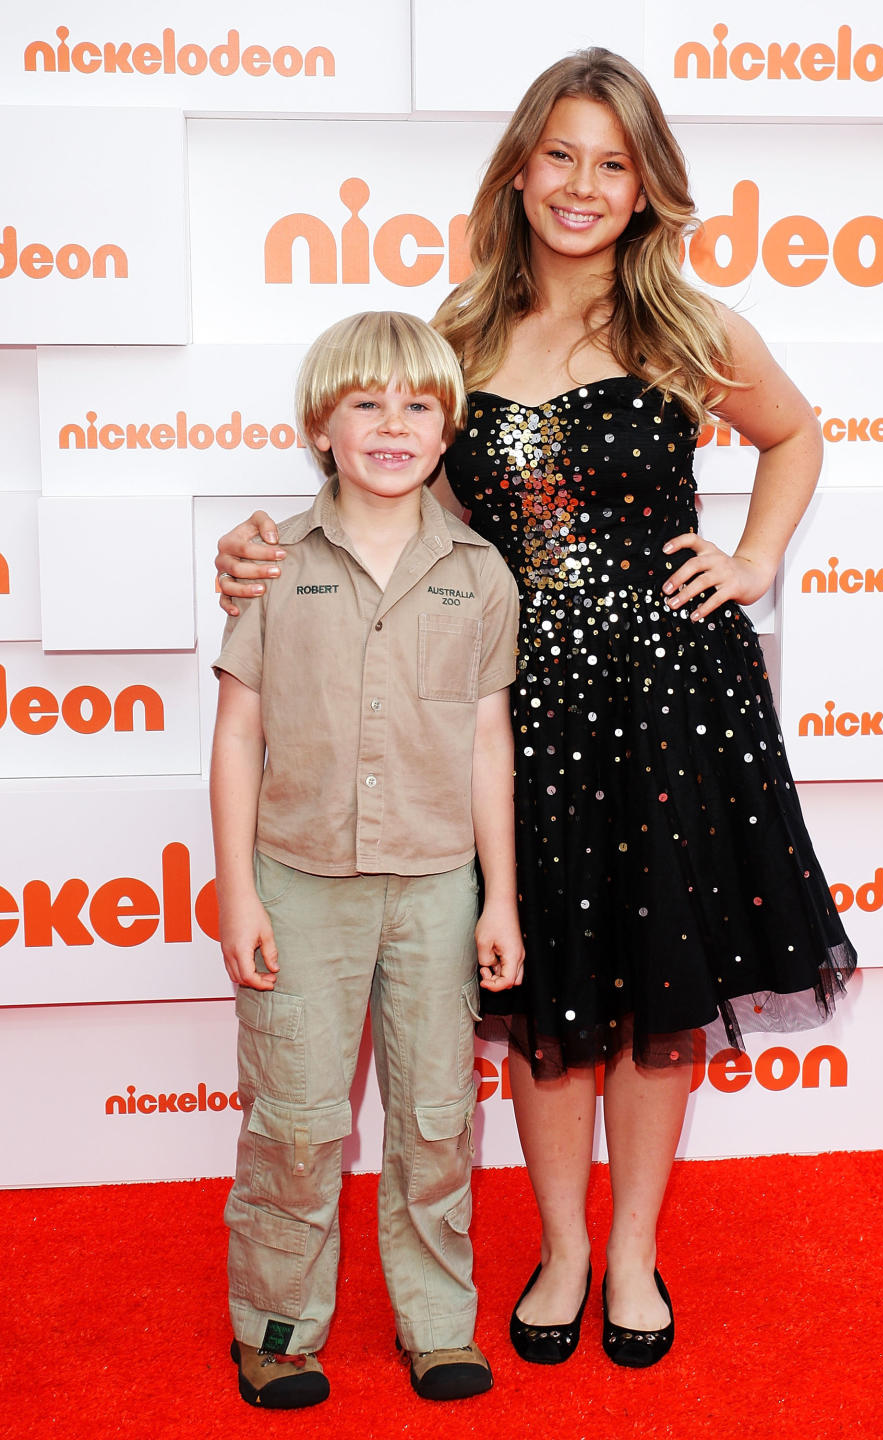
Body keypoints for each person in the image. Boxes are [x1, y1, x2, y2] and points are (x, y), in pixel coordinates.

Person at [213, 50, 856, 1372]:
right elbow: (381, 493)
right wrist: (259, 552)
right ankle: (563, 1245)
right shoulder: (454, 335)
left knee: (657, 992)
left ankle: (632, 1253)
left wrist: (752, 558)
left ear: (645, 188)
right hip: (515, 715)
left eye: (613, 163)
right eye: (562, 153)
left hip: (675, 701)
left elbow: (795, 435)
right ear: (521, 165)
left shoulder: (690, 326)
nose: (583, 183)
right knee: (552, 996)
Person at [210, 310, 523, 1408]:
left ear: (449, 432)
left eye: (419, 405)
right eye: (366, 403)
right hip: (296, 884)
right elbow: (238, 731)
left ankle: (437, 1324)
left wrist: (502, 905)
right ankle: (278, 1329)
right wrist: (239, 888)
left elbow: (490, 743)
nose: (394, 424)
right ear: (320, 427)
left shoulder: (482, 573)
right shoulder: (272, 566)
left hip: (441, 886)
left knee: (439, 1117)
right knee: (296, 1123)